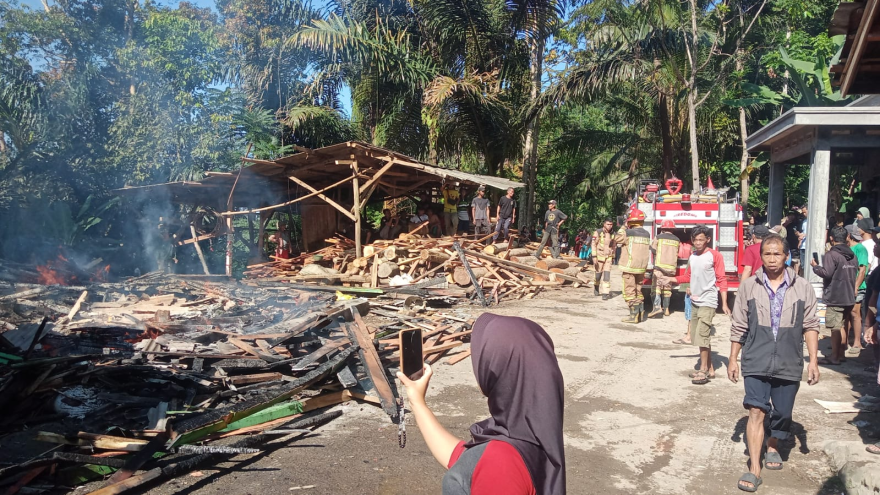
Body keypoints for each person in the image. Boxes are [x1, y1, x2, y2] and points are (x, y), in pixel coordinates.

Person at [396, 313, 565, 495]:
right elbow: (465, 461)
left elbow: (489, 467)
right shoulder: (534, 433)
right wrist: (417, 402)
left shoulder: (500, 461)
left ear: (497, 370)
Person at [728, 234, 820, 493]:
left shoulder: (802, 287)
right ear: (761, 255)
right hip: (756, 357)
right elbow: (739, 325)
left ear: (786, 255)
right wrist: (733, 358)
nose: (771, 259)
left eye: (776, 254)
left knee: (783, 413)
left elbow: (811, 325)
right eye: (767, 254)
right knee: (756, 411)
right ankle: (754, 468)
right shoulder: (749, 286)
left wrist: (813, 361)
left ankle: (774, 444)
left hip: (789, 359)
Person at [661, 225, 730, 384]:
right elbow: (688, 277)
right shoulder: (693, 257)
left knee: (702, 336)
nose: (698, 242)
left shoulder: (715, 256)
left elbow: (722, 280)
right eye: (695, 239)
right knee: (699, 337)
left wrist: (724, 303)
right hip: (695, 301)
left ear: (708, 240)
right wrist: (671, 279)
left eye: (701, 239)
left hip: (708, 301)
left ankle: (703, 370)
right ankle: (710, 369)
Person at [811, 225, 857, 366]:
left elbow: (827, 273)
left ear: (831, 238)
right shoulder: (852, 255)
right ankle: (840, 354)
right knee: (842, 325)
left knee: (835, 327)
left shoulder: (832, 255)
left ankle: (835, 357)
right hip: (849, 295)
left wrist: (816, 267)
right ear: (847, 238)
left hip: (836, 295)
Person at [614, 208, 650, 323]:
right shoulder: (647, 234)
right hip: (641, 268)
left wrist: (624, 226)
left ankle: (633, 315)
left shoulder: (628, 232)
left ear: (630, 221)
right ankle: (640, 314)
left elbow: (616, 239)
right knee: (638, 291)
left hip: (629, 267)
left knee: (629, 291)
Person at [648, 220, 680, 318]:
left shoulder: (658, 237)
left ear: (662, 228)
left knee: (656, 288)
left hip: (660, 267)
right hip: (671, 268)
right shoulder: (677, 239)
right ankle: (666, 309)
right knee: (667, 289)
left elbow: (653, 250)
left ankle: (657, 307)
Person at [846, 225, 868, 357]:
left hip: (857, 286)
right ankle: (844, 341)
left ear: (848, 235)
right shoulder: (848, 248)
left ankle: (857, 342)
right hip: (846, 285)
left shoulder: (860, 249)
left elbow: (862, 269)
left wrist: (856, 286)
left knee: (855, 313)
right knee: (846, 313)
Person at [591, 218, 616, 299]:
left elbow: (614, 246)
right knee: (598, 275)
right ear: (604, 224)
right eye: (608, 224)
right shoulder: (598, 232)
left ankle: (605, 293)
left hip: (608, 257)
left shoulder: (613, 234)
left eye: (611, 224)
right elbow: (593, 244)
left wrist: (613, 256)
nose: (610, 226)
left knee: (606, 276)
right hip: (599, 256)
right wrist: (594, 256)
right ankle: (596, 286)